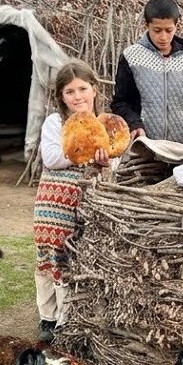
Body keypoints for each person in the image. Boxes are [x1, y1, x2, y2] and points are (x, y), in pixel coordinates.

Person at [33, 59, 112, 342]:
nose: (77, 96)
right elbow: (52, 158)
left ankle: (71, 318)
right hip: (54, 202)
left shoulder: (106, 125)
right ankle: (48, 317)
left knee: (80, 258)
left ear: (94, 90)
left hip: (89, 202)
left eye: (82, 89)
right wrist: (85, 152)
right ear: (61, 97)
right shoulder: (57, 123)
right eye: (69, 92)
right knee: (51, 257)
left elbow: (115, 163)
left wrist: (104, 162)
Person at [111, 0, 183, 143]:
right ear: (146, 25)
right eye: (157, 30)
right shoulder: (131, 57)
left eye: (168, 30)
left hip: (179, 148)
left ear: (177, 26)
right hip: (142, 147)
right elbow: (120, 103)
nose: (163, 37)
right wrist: (134, 124)